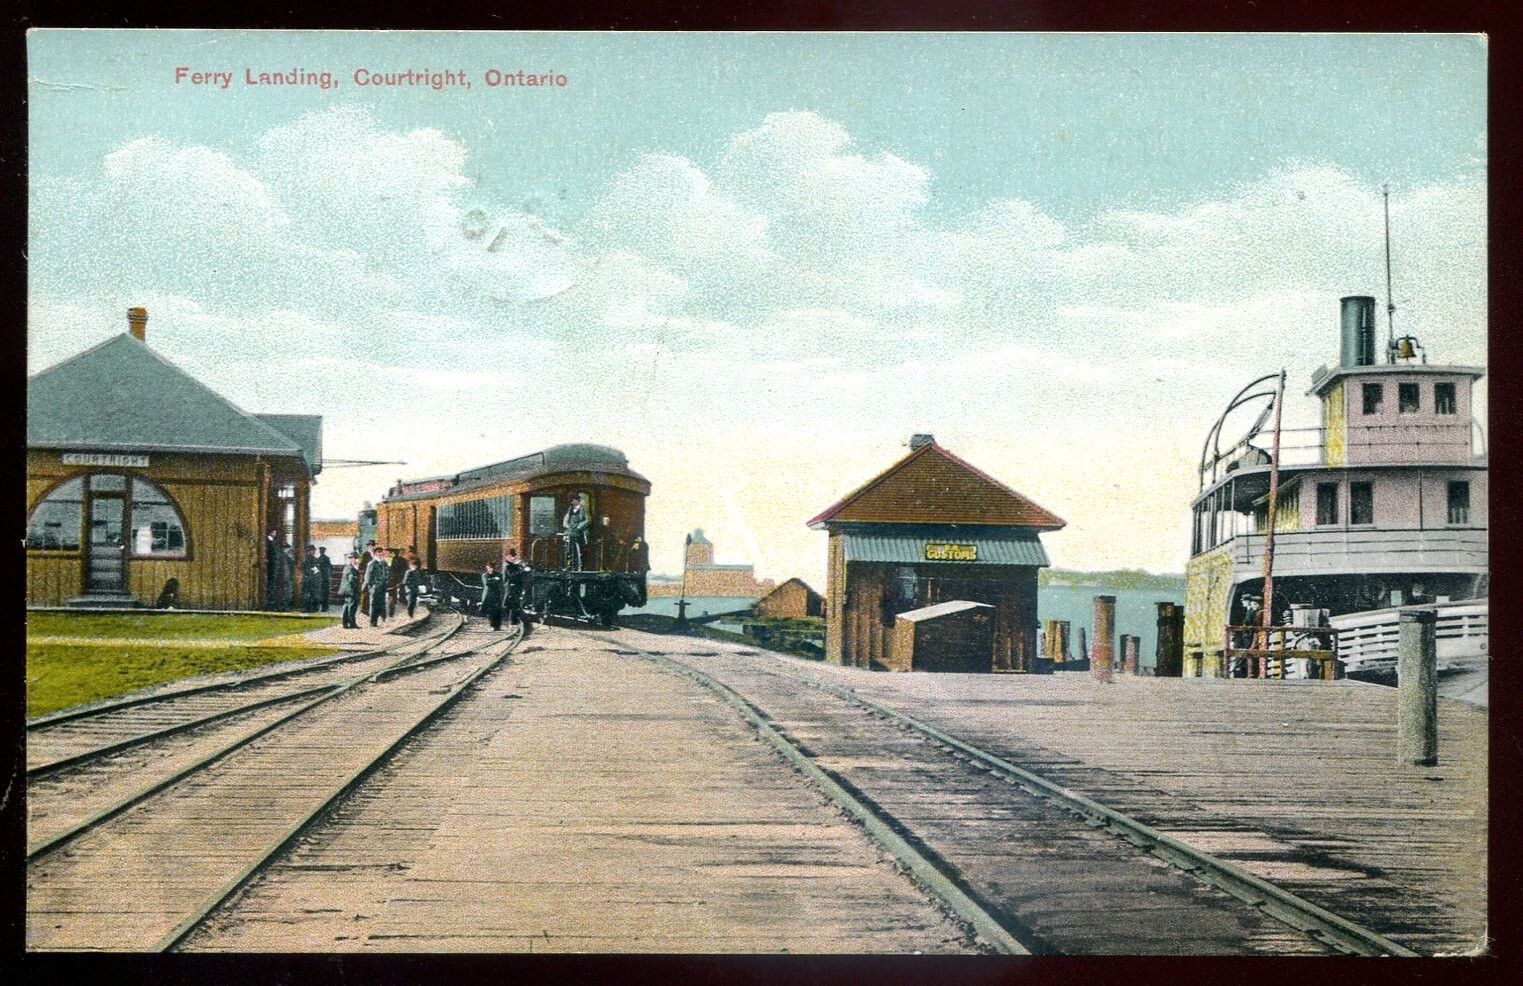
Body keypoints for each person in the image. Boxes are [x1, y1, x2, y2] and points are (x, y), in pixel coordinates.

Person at [363, 546, 390, 627]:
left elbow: (387, 574)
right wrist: (372, 587)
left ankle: (383, 620)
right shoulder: (372, 563)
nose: (380, 553)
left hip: (383, 587)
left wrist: (386, 582)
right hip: (375, 588)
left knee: (382, 604)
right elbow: (368, 578)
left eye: (381, 552)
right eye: (378, 552)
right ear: (374, 553)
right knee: (374, 605)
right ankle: (373, 623)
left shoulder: (384, 563)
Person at [562, 497, 589, 572]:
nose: (572, 503)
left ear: (578, 501)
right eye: (572, 501)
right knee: (568, 548)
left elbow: (586, 520)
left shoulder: (583, 509)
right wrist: (567, 526)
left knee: (580, 549)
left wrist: (579, 527)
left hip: (579, 532)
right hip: (570, 531)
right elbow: (566, 519)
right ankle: (569, 566)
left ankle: (581, 567)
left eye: (574, 501)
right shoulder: (570, 509)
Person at [502, 547, 526, 625]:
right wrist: (523, 571)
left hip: (514, 588)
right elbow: (512, 576)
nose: (512, 558)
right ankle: (512, 621)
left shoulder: (512, 565)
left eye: (513, 556)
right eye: (510, 556)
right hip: (511, 587)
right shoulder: (507, 566)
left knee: (515, 604)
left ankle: (513, 621)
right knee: (512, 604)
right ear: (506, 557)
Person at [339, 552, 363, 629]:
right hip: (351, 590)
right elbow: (351, 580)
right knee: (352, 607)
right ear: (352, 559)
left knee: (347, 606)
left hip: (348, 590)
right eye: (356, 558)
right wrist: (358, 589)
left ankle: (345, 624)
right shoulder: (350, 568)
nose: (358, 560)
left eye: (357, 558)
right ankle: (352, 624)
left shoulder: (348, 567)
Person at [480, 561, 505, 631]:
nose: (490, 569)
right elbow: (487, 583)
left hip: (497, 595)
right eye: (489, 568)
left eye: (491, 568)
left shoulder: (499, 575)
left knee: (497, 611)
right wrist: (495, 579)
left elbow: (500, 583)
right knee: (490, 611)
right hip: (488, 595)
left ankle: (497, 626)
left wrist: (492, 580)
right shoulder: (484, 575)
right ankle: (492, 625)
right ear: (487, 568)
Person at [300, 544, 322, 613]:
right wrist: (317, 573)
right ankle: (312, 608)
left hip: (307, 579)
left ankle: (308, 608)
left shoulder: (305, 558)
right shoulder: (312, 559)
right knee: (312, 594)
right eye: (313, 550)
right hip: (311, 579)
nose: (314, 551)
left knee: (308, 594)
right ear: (310, 551)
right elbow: (314, 569)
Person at [316, 547, 334, 612]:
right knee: (324, 593)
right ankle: (325, 607)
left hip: (323, 578)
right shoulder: (322, 559)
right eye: (321, 550)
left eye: (322, 550)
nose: (321, 551)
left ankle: (324, 607)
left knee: (323, 593)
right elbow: (331, 568)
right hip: (324, 578)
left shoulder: (320, 559)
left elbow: (330, 568)